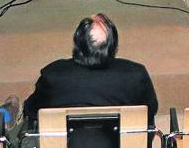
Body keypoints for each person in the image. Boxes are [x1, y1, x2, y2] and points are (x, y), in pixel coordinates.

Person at [23, 13, 158, 127]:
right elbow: (150, 110)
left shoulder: (52, 74)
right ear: (113, 46)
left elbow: (31, 110)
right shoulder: (135, 74)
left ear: (78, 43)